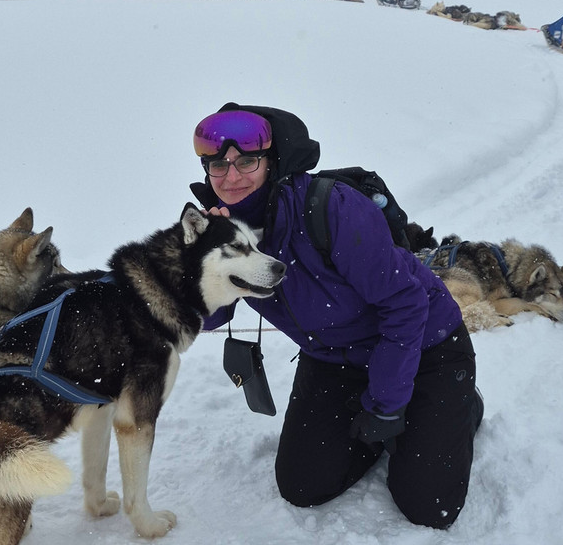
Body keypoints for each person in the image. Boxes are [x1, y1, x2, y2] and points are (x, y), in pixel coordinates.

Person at [190, 102, 483, 529]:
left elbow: (405, 304)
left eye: (247, 161)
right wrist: (210, 261)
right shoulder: (214, 227)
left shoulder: (332, 208)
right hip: (335, 359)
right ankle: (391, 426)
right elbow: (207, 318)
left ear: (273, 162)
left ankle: (460, 407)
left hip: (426, 348)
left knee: (426, 506)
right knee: (303, 486)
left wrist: (386, 404)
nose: (232, 177)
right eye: (219, 165)